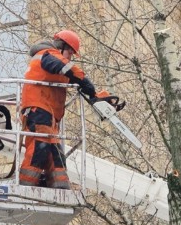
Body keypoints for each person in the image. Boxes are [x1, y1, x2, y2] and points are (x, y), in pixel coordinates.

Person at [19, 30, 120, 189]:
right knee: (39, 148)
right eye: (70, 53)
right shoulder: (47, 55)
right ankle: (26, 186)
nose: (70, 57)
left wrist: (91, 93)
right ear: (61, 46)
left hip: (48, 115)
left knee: (55, 152)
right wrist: (90, 88)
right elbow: (67, 68)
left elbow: (66, 72)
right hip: (38, 110)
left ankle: (61, 186)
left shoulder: (53, 61)